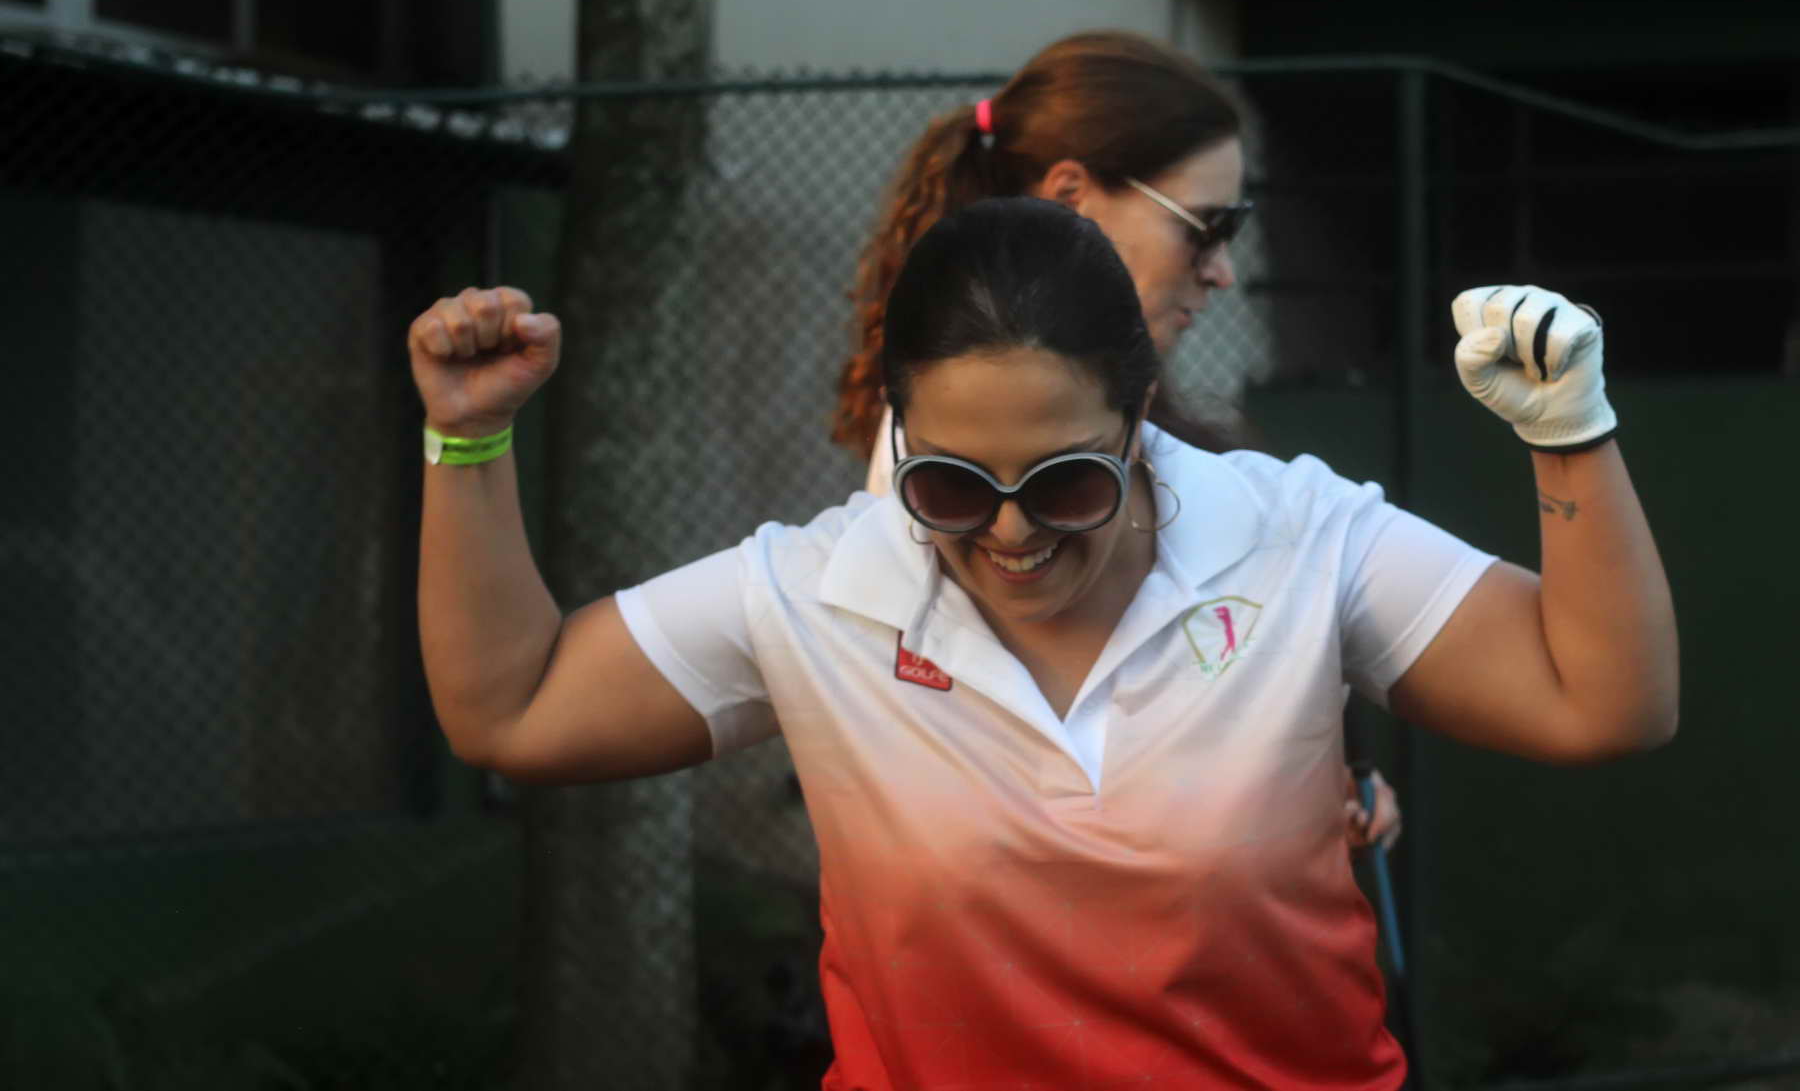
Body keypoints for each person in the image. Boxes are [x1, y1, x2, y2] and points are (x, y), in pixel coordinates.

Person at [409, 198, 1677, 1088]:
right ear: (898, 433)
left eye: (1067, 481)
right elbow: (510, 708)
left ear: (1140, 419)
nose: (1011, 531)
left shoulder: (1294, 534)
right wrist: (466, 438)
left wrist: (1570, 435)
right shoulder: (817, 591)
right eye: (952, 485)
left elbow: (1604, 700)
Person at [833, 30, 1403, 848]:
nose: (1222, 270)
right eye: (1205, 226)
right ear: (1073, 197)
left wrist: (1312, 771)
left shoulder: (1148, 422)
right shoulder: (929, 465)